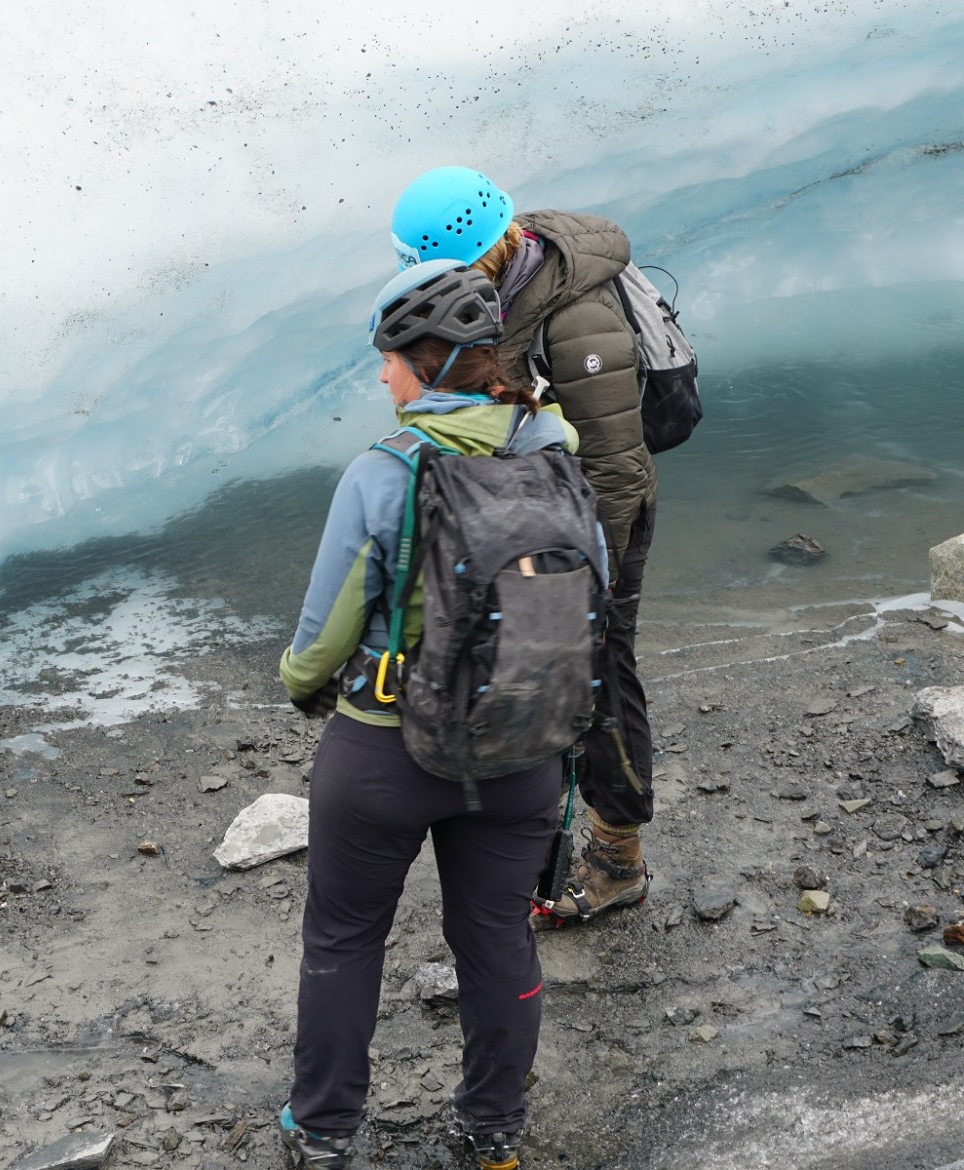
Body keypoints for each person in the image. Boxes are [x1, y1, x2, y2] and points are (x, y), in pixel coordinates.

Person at [277, 260, 581, 1170]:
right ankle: (493, 1132)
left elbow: (323, 638)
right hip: (524, 745)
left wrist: (299, 684)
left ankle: (324, 1131)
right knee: (495, 938)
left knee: (344, 938)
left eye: (391, 358)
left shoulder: (385, 472)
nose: (383, 375)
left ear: (429, 365)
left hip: (387, 753)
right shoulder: (555, 451)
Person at [391, 166, 658, 926]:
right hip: (534, 514)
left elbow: (614, 463)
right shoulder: (500, 281)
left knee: (600, 677)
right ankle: (524, 837)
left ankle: (617, 859)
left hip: (597, 521)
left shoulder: (575, 319)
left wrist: (588, 581)